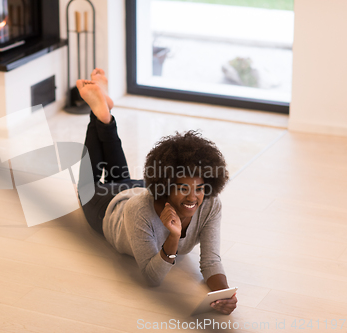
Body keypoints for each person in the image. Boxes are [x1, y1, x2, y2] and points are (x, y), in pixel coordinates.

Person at [76, 69, 237, 315]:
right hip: (109, 208)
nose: (194, 197)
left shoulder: (210, 204)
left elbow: (211, 260)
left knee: (122, 177)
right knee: (87, 186)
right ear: (166, 185)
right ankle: (96, 112)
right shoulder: (139, 210)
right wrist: (173, 237)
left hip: (138, 188)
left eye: (200, 188)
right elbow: (152, 278)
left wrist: (222, 294)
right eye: (184, 188)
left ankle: (104, 112)